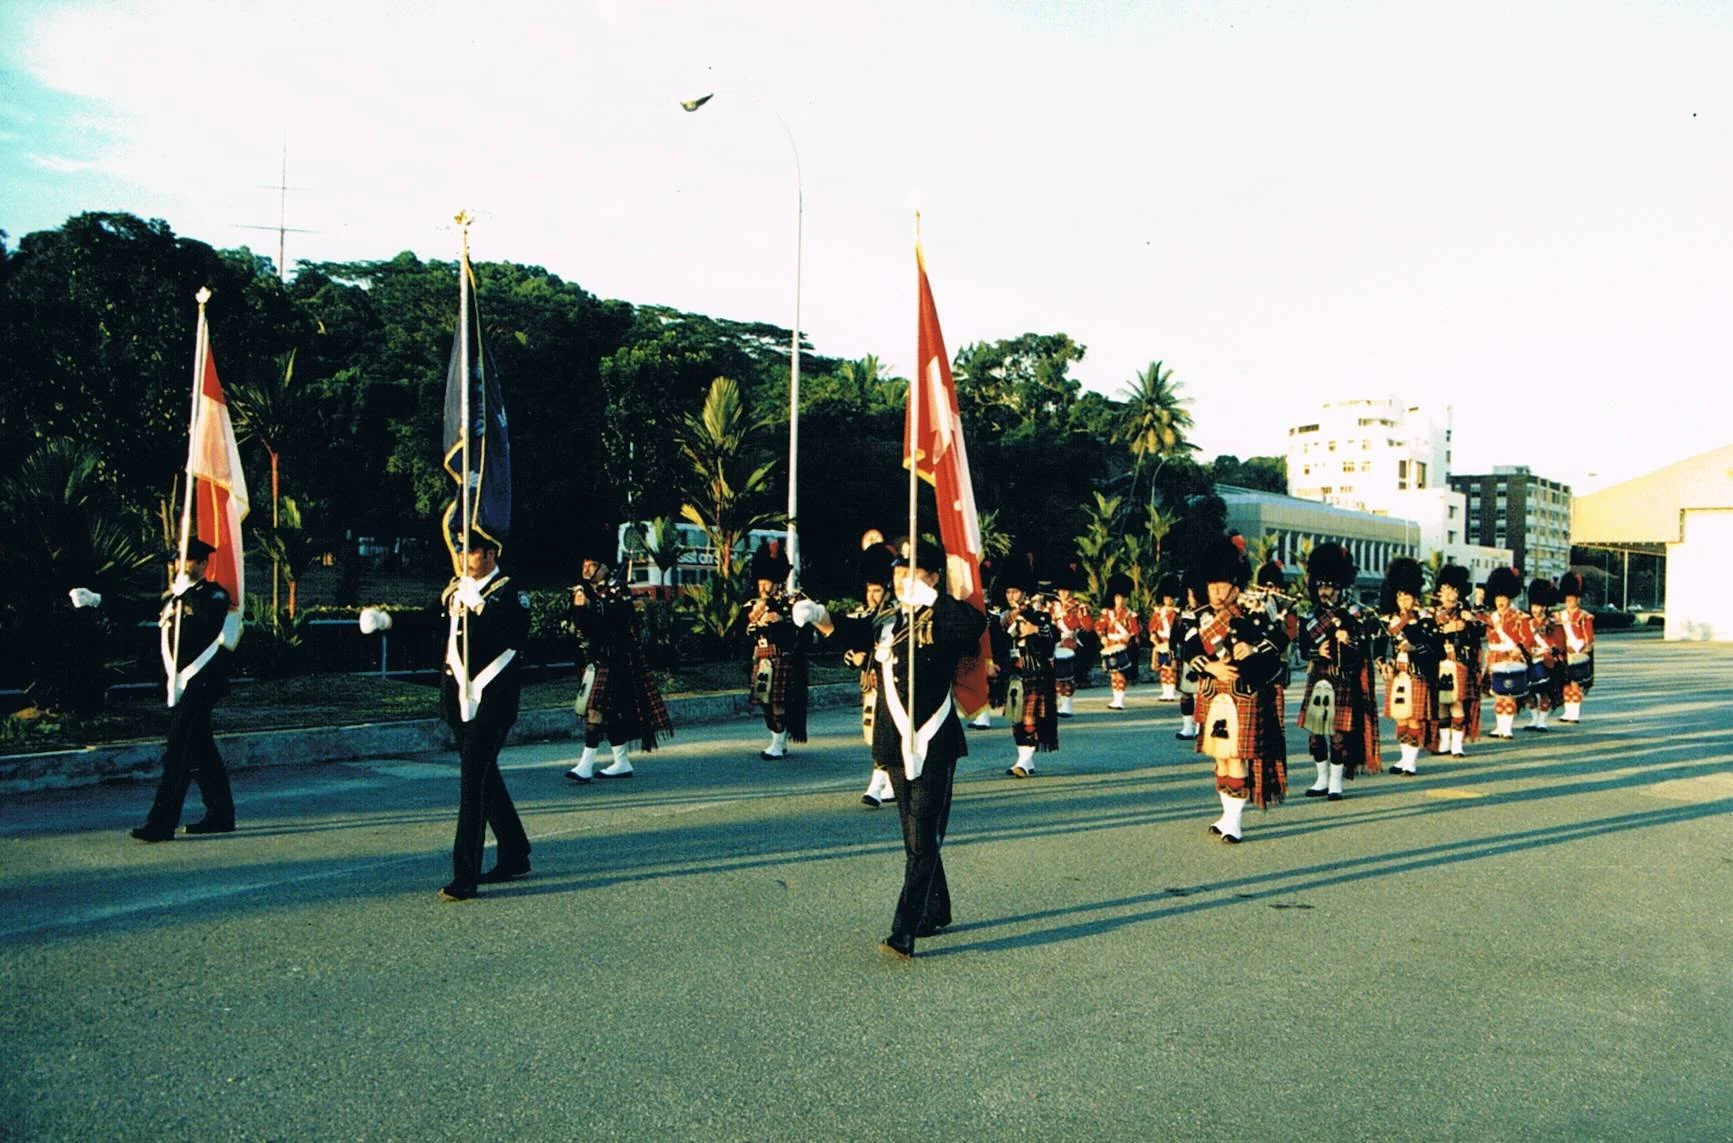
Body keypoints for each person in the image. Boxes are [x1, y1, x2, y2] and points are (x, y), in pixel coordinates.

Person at [798, 536, 988, 960]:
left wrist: (933, 599)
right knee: (915, 835)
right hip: (894, 739)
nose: (902, 580)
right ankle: (936, 908)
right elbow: (848, 631)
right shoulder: (888, 621)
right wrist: (818, 615)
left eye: (911, 573)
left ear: (933, 577)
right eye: (899, 573)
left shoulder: (940, 619)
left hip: (933, 741)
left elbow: (972, 627)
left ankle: (905, 930)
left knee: (922, 837)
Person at [76, 538, 240, 842]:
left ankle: (161, 823)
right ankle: (221, 814)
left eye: (189, 560)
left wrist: (184, 597)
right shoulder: (172, 596)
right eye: (180, 560)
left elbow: (209, 623)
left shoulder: (213, 595)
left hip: (202, 682)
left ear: (204, 563)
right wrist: (97, 599)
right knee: (201, 749)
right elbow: (135, 606)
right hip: (179, 684)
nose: (183, 565)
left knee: (178, 751)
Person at [438, 533, 533, 900]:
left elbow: (516, 634)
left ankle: (465, 876)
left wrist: (479, 605)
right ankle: (514, 852)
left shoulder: (510, 593)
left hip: (493, 700)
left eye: (472, 550)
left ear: (491, 553)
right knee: (486, 777)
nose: (464, 556)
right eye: (460, 549)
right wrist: (387, 623)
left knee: (472, 783)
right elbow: (437, 628)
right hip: (458, 699)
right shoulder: (454, 590)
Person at [1181, 536, 1289, 843]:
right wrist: (1211, 667)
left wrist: (1251, 648)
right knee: (1221, 757)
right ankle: (1226, 814)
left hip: (1244, 695)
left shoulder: (1253, 615)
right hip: (1215, 693)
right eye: (1211, 586)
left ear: (1236, 588)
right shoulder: (1201, 619)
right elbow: (1187, 649)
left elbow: (1279, 643)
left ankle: (1235, 821)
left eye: (1222, 586)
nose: (1215, 593)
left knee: (1237, 756)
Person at [562, 546, 673, 783]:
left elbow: (615, 619)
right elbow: (582, 628)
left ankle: (585, 764)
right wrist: (579, 607)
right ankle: (621, 761)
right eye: (584, 563)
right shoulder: (585, 592)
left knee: (596, 710)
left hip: (616, 659)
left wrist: (591, 601)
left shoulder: (617, 590)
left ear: (604, 567)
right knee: (609, 714)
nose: (586, 568)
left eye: (592, 563)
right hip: (594, 659)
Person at [1295, 543, 1381, 800]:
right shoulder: (1309, 617)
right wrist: (1316, 653)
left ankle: (1335, 783)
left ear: (1339, 587)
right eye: (1320, 585)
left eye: (1329, 586)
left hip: (1342, 680)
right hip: (1318, 678)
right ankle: (1321, 779)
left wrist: (1349, 641)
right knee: (1315, 736)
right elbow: (1302, 649)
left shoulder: (1354, 615)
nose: (1323, 591)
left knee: (1339, 738)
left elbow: (1365, 649)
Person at [845, 532, 898, 807]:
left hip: (894, 684)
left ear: (887, 590)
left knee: (884, 733)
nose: (872, 595)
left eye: (877, 590)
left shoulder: (897, 617)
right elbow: (849, 649)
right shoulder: (865, 615)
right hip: (871, 685)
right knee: (873, 732)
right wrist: (854, 657)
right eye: (869, 589)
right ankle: (889, 781)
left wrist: (869, 658)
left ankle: (876, 785)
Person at [744, 540, 808, 760]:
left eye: (767, 582)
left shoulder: (792, 602)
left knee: (778, 703)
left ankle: (778, 743)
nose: (763, 586)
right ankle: (776, 738)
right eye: (761, 582)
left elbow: (804, 630)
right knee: (765, 701)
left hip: (781, 657)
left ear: (777, 582)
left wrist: (782, 620)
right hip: (760, 657)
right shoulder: (752, 604)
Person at [1379, 556, 1439, 775]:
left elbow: (1435, 649)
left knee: (1413, 717)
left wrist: (1414, 648)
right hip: (1398, 674)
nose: (1404, 600)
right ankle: (1404, 759)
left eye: (1407, 596)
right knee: (1401, 716)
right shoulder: (1390, 622)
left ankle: (1411, 762)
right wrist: (1383, 664)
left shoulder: (1425, 620)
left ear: (1415, 596)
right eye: (1400, 595)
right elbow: (1380, 648)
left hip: (1417, 673)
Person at [1001, 574, 1059, 778]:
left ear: (1024, 593)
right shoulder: (1003, 617)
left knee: (1030, 719)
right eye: (1008, 591)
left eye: (1015, 591)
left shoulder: (1039, 615)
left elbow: (1054, 634)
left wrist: (1035, 629)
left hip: (1036, 672)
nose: (1011, 595)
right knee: (1016, 719)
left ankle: (1024, 762)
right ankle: (1026, 759)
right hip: (1015, 673)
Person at [1430, 564, 1484, 757]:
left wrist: (1467, 625)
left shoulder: (1465, 613)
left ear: (1459, 592)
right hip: (1438, 662)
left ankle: (1457, 745)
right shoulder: (1432, 614)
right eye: (1445, 590)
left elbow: (1481, 631)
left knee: (1457, 702)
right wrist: (1444, 629)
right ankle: (1444, 742)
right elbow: (1427, 635)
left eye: (1453, 590)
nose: (1449, 594)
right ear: (1439, 592)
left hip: (1459, 661)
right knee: (1441, 703)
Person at [1481, 567, 1531, 740]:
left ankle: (1507, 727)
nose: (1500, 602)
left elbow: (1528, 638)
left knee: (1509, 694)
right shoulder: (1490, 617)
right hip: (1494, 658)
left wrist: (1520, 648)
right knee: (1498, 694)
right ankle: (1499, 726)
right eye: (1497, 598)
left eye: (1503, 598)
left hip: (1511, 657)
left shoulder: (1520, 617)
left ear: (1509, 597)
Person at [1049, 574, 1094, 718]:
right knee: (1054, 678)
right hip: (1053, 644)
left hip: (1070, 642)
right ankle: (1059, 704)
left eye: (1067, 590)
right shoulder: (1052, 607)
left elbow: (1088, 627)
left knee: (1067, 677)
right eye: (1061, 590)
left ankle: (1067, 705)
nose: (1064, 593)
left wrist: (1078, 614)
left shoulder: (1078, 607)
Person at [1523, 577, 1565, 732]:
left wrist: (1547, 650)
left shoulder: (1554, 623)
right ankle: (1534, 718)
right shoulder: (1527, 623)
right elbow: (1525, 640)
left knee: (1544, 692)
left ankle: (1542, 720)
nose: (1536, 609)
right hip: (1530, 660)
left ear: (1546, 606)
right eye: (1534, 605)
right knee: (1528, 692)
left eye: (1539, 605)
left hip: (1547, 662)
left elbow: (1559, 644)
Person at [1096, 573, 1141, 711]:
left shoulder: (1130, 615)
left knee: (1121, 673)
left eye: (1122, 597)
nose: (1120, 600)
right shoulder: (1107, 614)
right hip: (1110, 644)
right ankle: (1115, 698)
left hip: (1123, 645)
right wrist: (1102, 637)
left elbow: (1135, 630)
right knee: (1113, 673)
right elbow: (1099, 627)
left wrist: (1130, 636)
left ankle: (1120, 699)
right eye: (1117, 597)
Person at [1556, 572, 1596, 723]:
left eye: (1572, 599)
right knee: (1565, 684)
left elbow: (1588, 637)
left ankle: (1575, 712)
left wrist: (1581, 648)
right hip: (1564, 652)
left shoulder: (1584, 616)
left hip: (1577, 652)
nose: (1569, 601)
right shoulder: (1559, 616)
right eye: (1567, 599)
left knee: (1575, 685)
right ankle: (1567, 711)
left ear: (1578, 599)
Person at [1173, 568, 1206, 740]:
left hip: (1203, 657)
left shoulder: (1206, 612)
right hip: (1185, 656)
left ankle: (1201, 726)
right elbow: (1174, 634)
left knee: (1202, 694)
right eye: (1189, 592)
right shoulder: (1181, 611)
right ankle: (1187, 727)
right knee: (1186, 693)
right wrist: (1172, 655)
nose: (1191, 596)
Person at [1149, 574, 1181, 702]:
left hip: (1172, 643)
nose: (1168, 600)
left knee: (1171, 668)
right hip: (1161, 643)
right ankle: (1165, 691)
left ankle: (1171, 692)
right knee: (1163, 668)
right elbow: (1153, 627)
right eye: (1166, 598)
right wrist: (1153, 636)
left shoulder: (1177, 613)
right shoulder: (1158, 613)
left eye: (1170, 598)